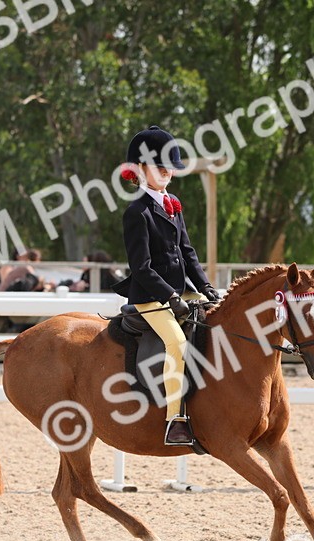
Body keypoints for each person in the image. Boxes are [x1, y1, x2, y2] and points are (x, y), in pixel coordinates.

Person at [113, 125, 221, 447]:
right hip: (151, 297)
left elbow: (187, 253)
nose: (166, 172)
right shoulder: (137, 212)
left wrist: (206, 287)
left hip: (180, 293)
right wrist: (171, 296)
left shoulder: (172, 203)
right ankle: (176, 419)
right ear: (140, 170)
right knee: (176, 342)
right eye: (158, 166)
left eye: (169, 166)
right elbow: (141, 268)